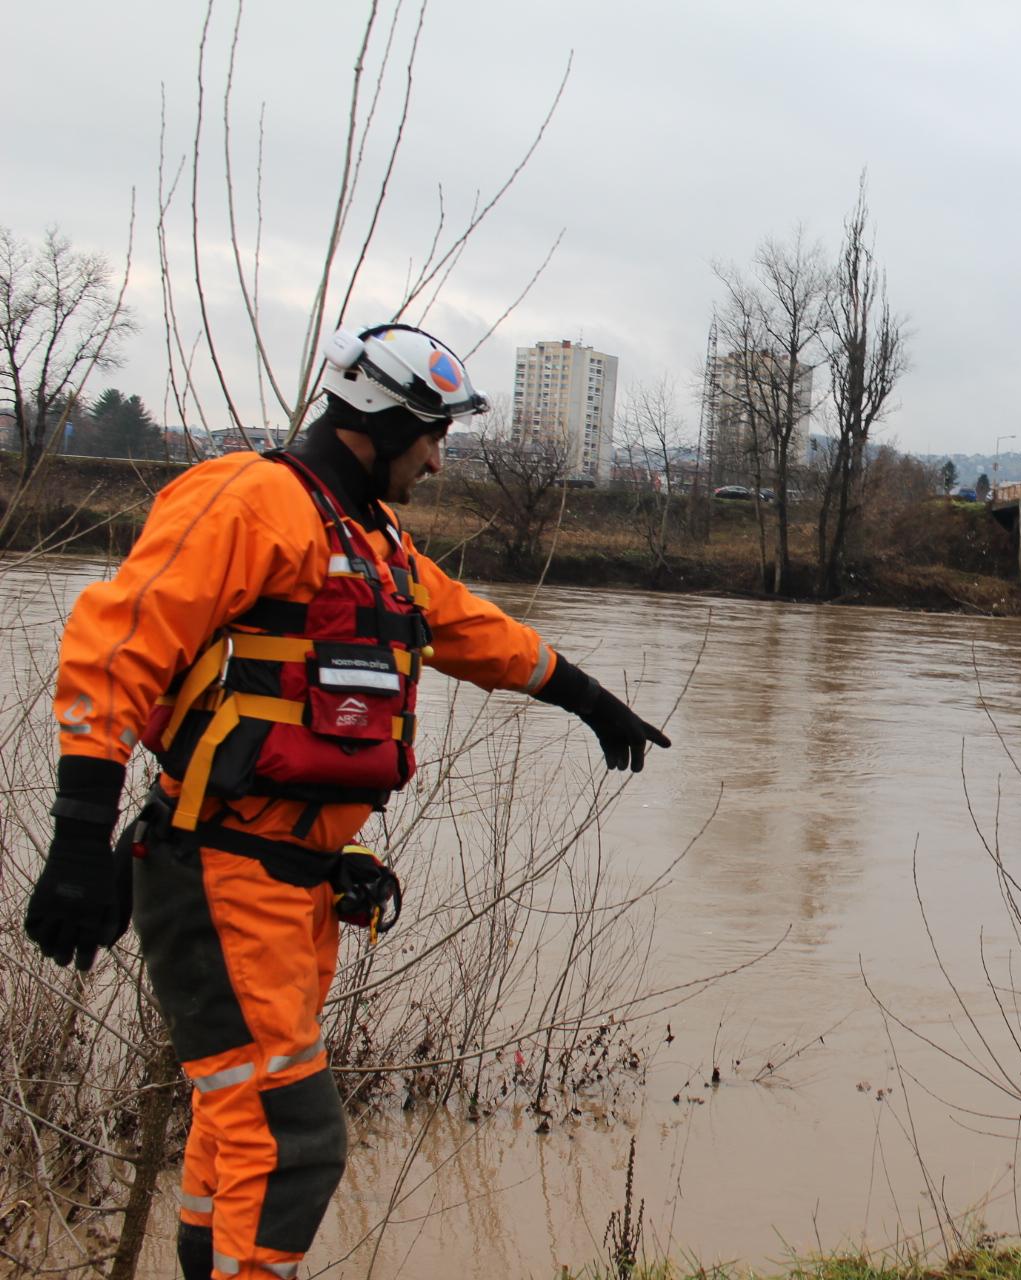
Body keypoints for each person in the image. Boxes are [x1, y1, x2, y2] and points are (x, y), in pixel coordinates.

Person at [22, 322, 672, 1280]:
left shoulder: (373, 541)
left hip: (296, 884)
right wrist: (77, 837)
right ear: (383, 423)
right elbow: (116, 648)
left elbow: (470, 629)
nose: (441, 462)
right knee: (294, 1143)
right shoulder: (249, 502)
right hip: (220, 872)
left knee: (234, 1131)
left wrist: (587, 699)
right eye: (434, 437)